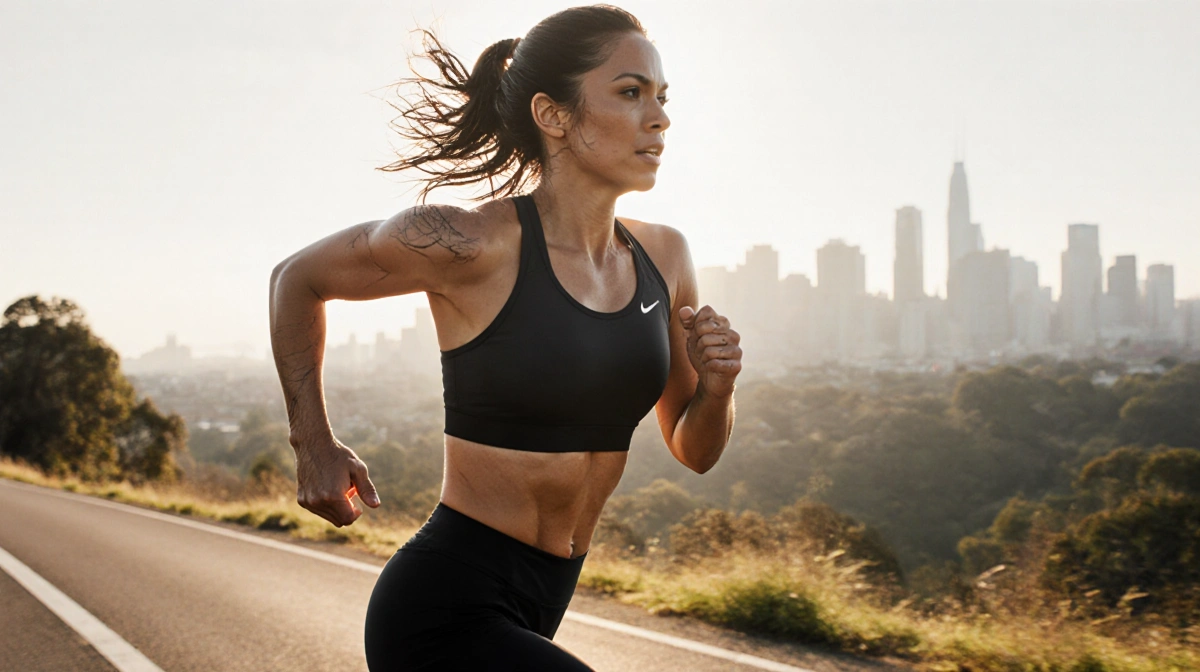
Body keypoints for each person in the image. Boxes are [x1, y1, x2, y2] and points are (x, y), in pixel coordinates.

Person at [268, 5, 742, 670]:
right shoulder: (470, 243)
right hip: (443, 608)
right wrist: (313, 444)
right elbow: (296, 278)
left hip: (546, 600)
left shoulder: (667, 259)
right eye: (630, 93)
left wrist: (718, 388)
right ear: (553, 115)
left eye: (662, 97)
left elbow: (694, 449)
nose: (659, 117)